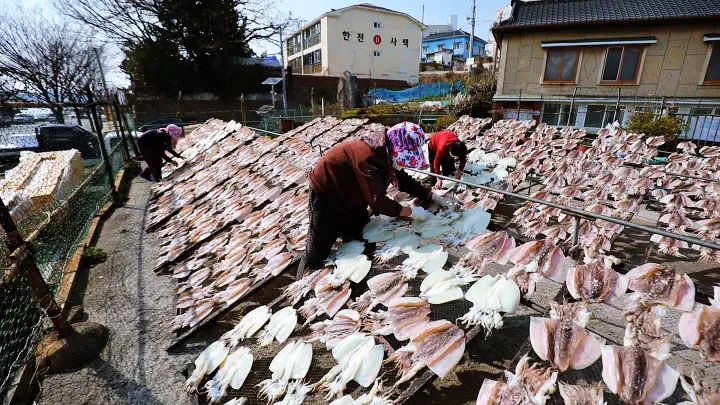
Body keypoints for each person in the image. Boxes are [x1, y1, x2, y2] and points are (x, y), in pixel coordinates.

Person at [297, 121, 452, 279]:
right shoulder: (367, 157)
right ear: (396, 146)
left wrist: (431, 195)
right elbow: (378, 202)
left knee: (364, 239)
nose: (403, 163)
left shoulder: (386, 152)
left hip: (354, 196)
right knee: (319, 245)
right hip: (327, 195)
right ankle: (304, 280)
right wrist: (412, 212)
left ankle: (357, 278)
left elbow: (404, 180)